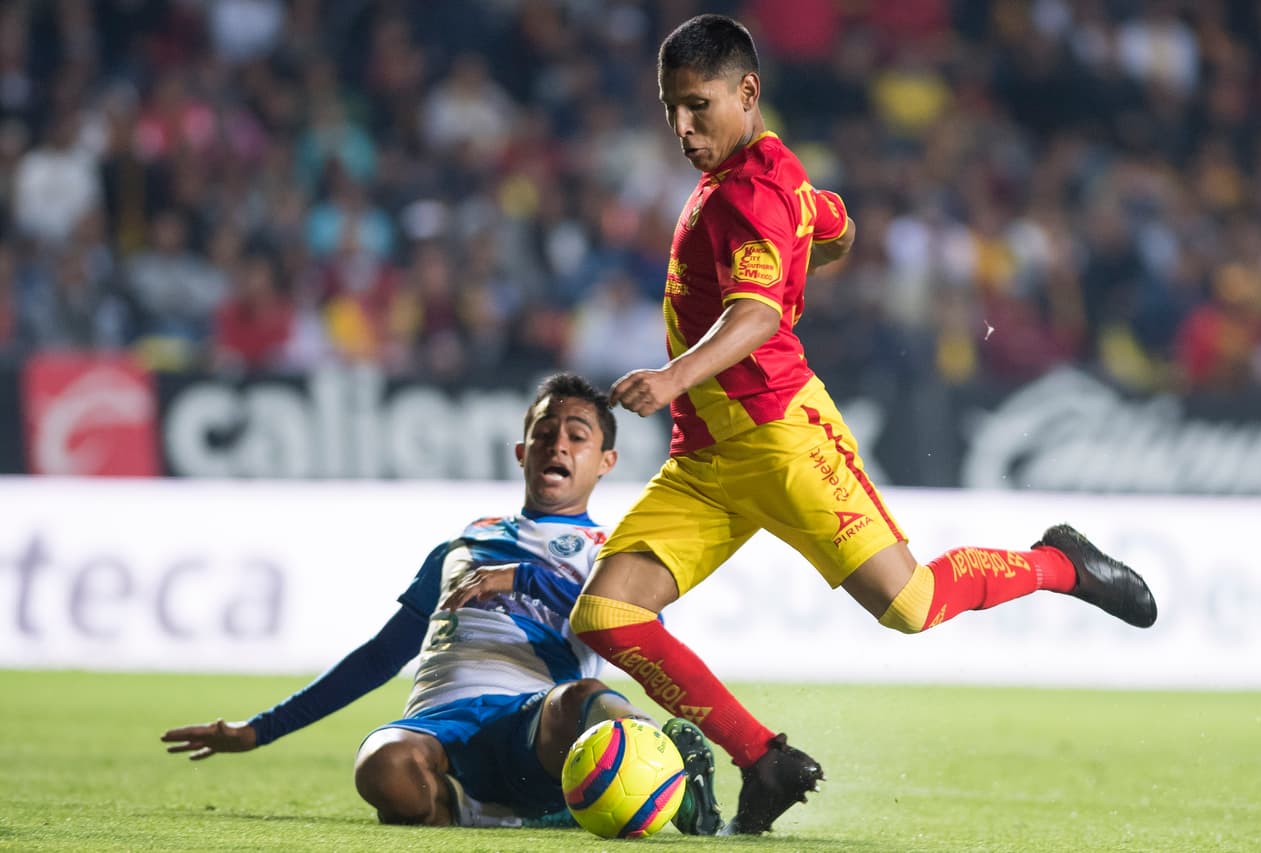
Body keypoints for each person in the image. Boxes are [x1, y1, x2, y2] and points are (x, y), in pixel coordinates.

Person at [567, 14, 1158, 837]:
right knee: (605, 615)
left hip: (782, 439)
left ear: (749, 92)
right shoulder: (771, 176)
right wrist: (811, 235)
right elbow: (835, 227)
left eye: (698, 106)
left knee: (911, 605)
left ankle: (1062, 563)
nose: (683, 128)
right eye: (671, 109)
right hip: (708, 456)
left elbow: (756, 316)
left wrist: (671, 375)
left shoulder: (750, 190)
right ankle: (763, 760)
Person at [162, 372, 723, 835]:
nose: (559, 445)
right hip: (438, 726)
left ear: (606, 461)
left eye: (577, 436)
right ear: (522, 452)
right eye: (546, 432)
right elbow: (381, 657)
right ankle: (502, 813)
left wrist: (523, 579)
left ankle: (674, 778)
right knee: (381, 766)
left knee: (585, 696)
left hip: (535, 722)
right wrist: (259, 729)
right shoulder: (462, 545)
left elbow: (637, 631)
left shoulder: (612, 554)